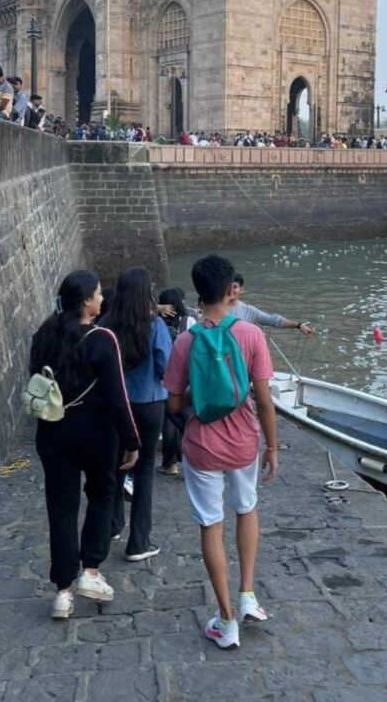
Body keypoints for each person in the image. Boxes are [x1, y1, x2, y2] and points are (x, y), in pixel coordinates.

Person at [164, 254, 278, 650]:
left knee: (211, 523)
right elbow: (264, 401)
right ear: (232, 290)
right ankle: (248, 594)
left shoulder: (185, 340)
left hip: (202, 447)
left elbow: (174, 405)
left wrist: (203, 393)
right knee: (246, 508)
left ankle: (226, 619)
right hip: (245, 441)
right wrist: (273, 447)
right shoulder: (250, 335)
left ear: (198, 291)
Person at [30, 270, 140, 620]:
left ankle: (62, 592)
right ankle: (89, 571)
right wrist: (132, 440)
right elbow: (117, 396)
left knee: (60, 509)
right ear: (85, 302)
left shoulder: (43, 334)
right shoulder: (102, 338)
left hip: (52, 431)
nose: (101, 300)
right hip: (96, 432)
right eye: (97, 294)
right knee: (103, 493)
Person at [100, 268, 172, 561]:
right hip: (149, 403)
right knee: (143, 473)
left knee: (117, 464)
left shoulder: (106, 325)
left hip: (116, 405)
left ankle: (114, 524)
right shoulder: (155, 326)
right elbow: (165, 367)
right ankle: (139, 541)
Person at [157, 288, 197, 475]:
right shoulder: (189, 321)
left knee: (169, 420)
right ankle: (191, 459)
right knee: (187, 418)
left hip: (164, 377)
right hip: (187, 377)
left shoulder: (156, 323)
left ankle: (169, 463)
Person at [229, 273, 314, 336]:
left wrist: (299, 325)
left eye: (235, 287)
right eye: (228, 286)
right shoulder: (216, 309)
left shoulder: (248, 311)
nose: (231, 290)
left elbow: (274, 320)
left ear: (241, 290)